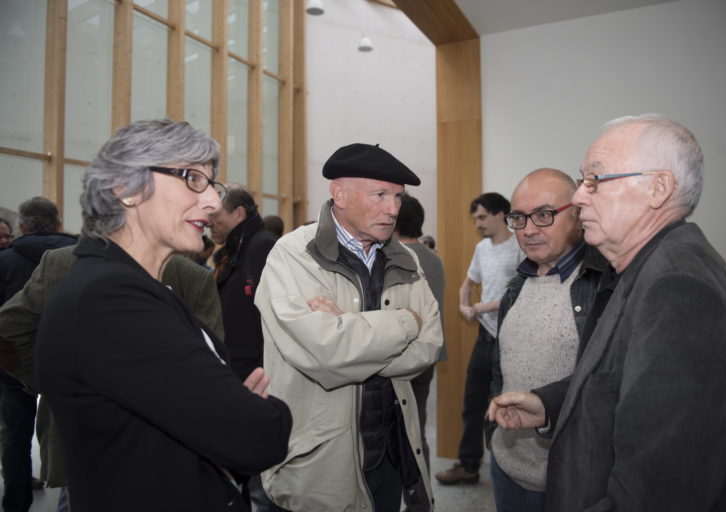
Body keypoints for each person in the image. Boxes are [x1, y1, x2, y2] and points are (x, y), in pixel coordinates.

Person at [489, 114, 726, 511]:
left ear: (658, 188)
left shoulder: (679, 287)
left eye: (595, 180)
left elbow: (659, 490)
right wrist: (548, 404)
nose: (579, 197)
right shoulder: (644, 270)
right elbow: (620, 383)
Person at [33, 118, 292, 512]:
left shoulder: (137, 288)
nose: (212, 202)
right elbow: (259, 436)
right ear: (126, 189)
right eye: (192, 179)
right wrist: (254, 413)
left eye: (211, 184)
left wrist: (227, 410)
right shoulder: (111, 301)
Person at [255, 143, 443, 512]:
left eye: (398, 197)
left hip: (389, 454)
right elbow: (324, 355)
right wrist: (406, 322)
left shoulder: (406, 258)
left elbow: (430, 345)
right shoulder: (292, 255)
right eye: (380, 194)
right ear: (339, 194)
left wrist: (348, 332)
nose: (393, 209)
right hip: (320, 462)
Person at [0, 244, 226, 511]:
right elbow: (209, 375)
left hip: (80, 441)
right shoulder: (191, 277)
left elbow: (8, 332)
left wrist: (58, 383)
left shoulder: (60, 263)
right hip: (165, 447)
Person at [487, 169, 608, 512]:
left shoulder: (605, 285)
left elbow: (607, 382)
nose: (528, 230)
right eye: (519, 218)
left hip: (572, 479)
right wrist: (491, 437)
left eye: (543, 215)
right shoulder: (516, 286)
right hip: (506, 467)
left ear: (578, 214)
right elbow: (500, 370)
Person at [436, 192, 523, 485]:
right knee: (472, 404)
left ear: (501, 215)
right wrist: (464, 305)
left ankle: (505, 470)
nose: (478, 224)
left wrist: (484, 306)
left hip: (509, 338)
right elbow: (467, 285)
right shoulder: (481, 248)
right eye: (476, 219)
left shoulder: (519, 246)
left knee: (503, 406)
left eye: (483, 217)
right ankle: (469, 465)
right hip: (484, 337)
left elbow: (521, 293)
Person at [0, 197, 76, 512]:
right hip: (71, 370)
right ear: (58, 223)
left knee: (15, 434)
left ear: (21, 226)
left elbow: (7, 324)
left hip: (16, 362)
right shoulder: (81, 257)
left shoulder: (6, 261)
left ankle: (17, 500)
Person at [394, 193, 446, 512]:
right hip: (427, 355)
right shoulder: (432, 257)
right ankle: (421, 502)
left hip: (401, 357)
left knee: (399, 435)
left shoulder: (398, 256)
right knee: (417, 430)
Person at [209, 185, 277, 380]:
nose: (209, 222)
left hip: (254, 371)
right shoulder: (232, 252)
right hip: (237, 364)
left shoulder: (262, 246)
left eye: (215, 215)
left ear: (238, 213)